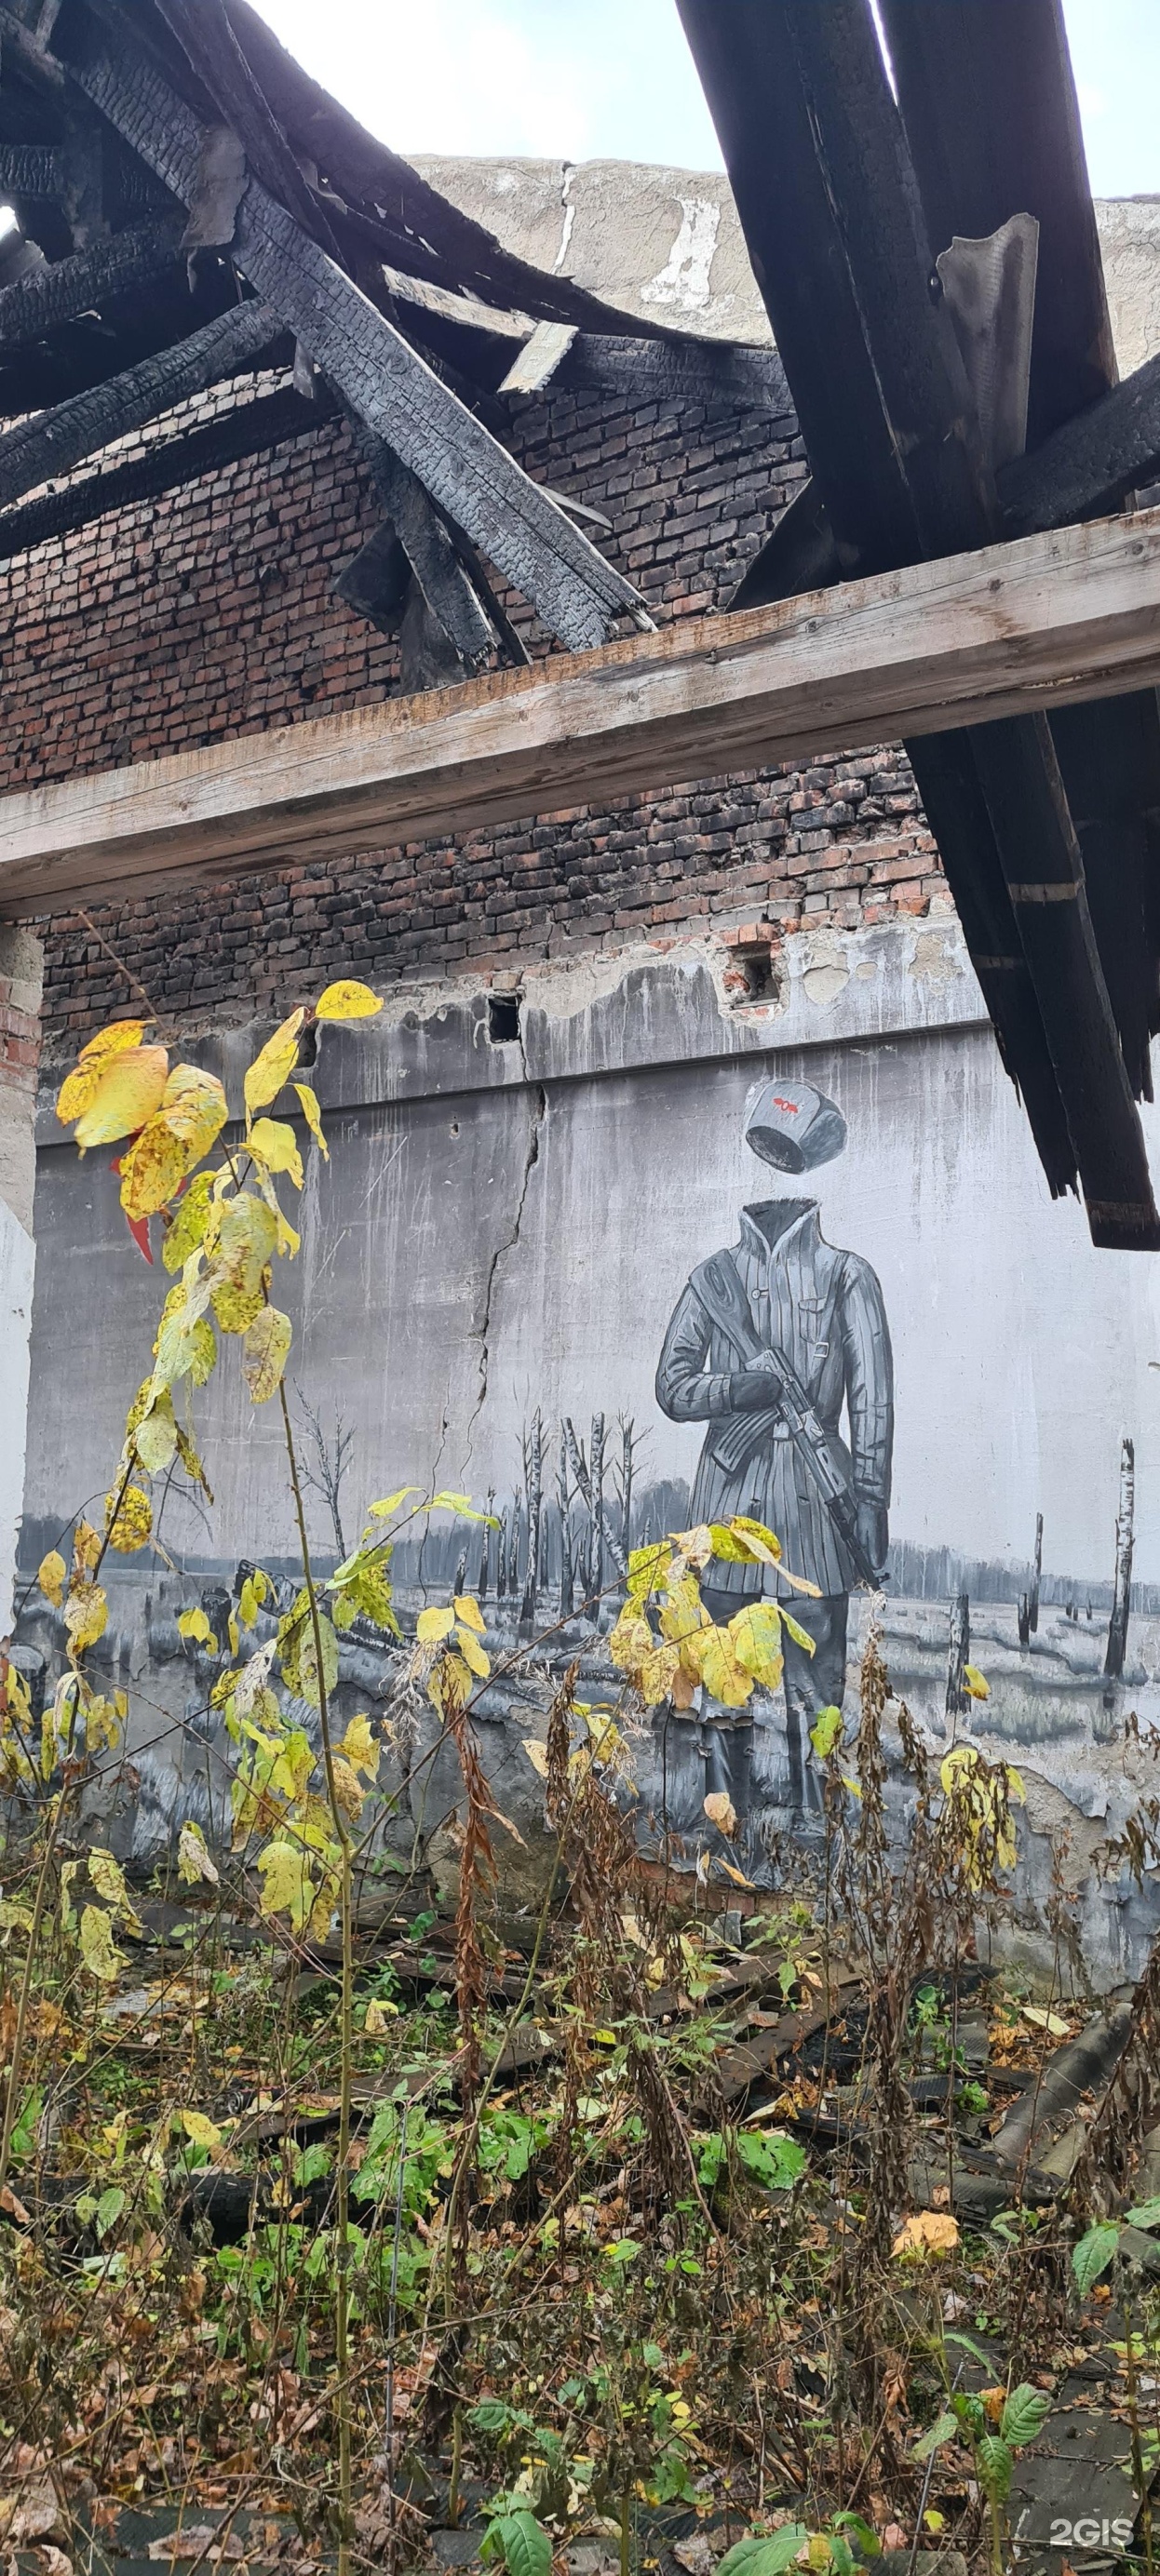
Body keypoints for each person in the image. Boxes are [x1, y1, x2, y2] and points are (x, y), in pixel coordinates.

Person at [654, 1076, 893, 1831]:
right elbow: (672, 1388)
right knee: (721, 1679)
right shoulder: (712, 1280)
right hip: (727, 1507)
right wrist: (739, 1389)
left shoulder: (848, 1276)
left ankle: (818, 1832)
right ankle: (725, 1828)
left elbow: (874, 1406)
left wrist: (871, 1505)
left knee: (816, 1691)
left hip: (817, 1512)